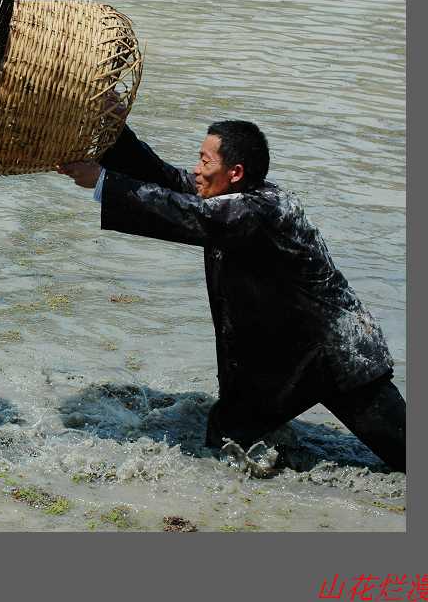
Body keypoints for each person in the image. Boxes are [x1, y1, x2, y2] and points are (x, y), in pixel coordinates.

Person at [57, 121, 406, 472]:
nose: (196, 170)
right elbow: (167, 183)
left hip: (337, 357)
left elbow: (181, 211)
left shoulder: (259, 211)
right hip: (279, 361)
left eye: (205, 162)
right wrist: (116, 131)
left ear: (235, 172)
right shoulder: (227, 200)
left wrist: (104, 181)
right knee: (227, 440)